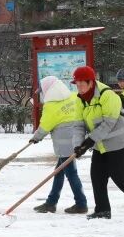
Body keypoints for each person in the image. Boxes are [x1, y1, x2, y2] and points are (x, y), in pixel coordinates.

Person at [71, 65, 124, 219]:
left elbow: (109, 123)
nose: (79, 87)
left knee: (117, 174)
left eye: (81, 84)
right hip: (99, 143)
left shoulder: (107, 95)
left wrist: (89, 141)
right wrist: (78, 145)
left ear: (91, 82)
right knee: (97, 175)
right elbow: (78, 125)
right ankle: (102, 210)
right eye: (76, 84)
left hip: (117, 141)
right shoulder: (80, 99)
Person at [28, 76, 89, 214]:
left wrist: (36, 138)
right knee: (59, 172)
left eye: (42, 91)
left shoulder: (51, 105)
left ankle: (81, 203)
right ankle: (51, 202)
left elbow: (45, 126)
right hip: (77, 139)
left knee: (71, 174)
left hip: (63, 145)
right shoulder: (73, 96)